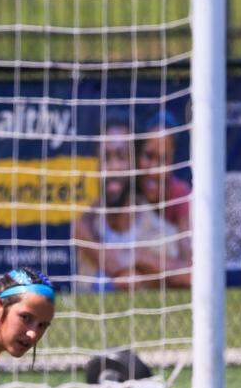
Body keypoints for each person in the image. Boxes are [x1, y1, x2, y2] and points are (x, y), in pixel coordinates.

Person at [74, 115, 189, 290]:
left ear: (135, 164)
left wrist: (136, 257)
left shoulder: (162, 236)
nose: (113, 167)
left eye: (121, 157)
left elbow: (191, 275)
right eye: (106, 157)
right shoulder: (88, 227)